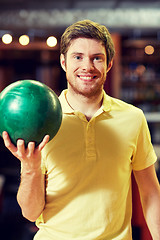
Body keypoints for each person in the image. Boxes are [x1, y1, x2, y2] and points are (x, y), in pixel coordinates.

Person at [2, 20, 160, 240]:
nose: (87, 66)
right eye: (77, 57)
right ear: (63, 62)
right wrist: (30, 167)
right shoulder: (43, 122)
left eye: (97, 58)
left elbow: (151, 193)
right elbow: (30, 213)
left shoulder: (133, 118)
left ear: (109, 64)